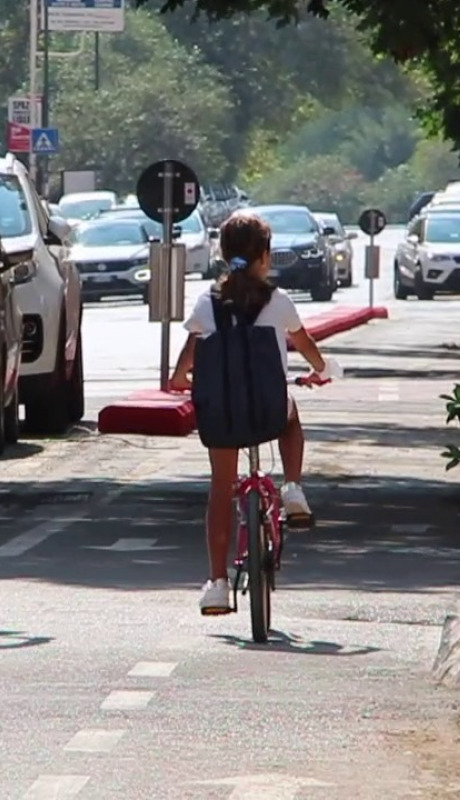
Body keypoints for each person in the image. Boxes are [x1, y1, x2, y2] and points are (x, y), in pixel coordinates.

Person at [169, 211, 335, 613]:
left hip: (222, 416)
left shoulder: (207, 305)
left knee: (219, 489)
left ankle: (217, 582)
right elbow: (308, 347)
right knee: (291, 416)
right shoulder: (278, 302)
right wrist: (320, 371)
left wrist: (194, 385)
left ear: (224, 254)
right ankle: (292, 486)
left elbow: (180, 374)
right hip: (269, 409)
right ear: (266, 255)